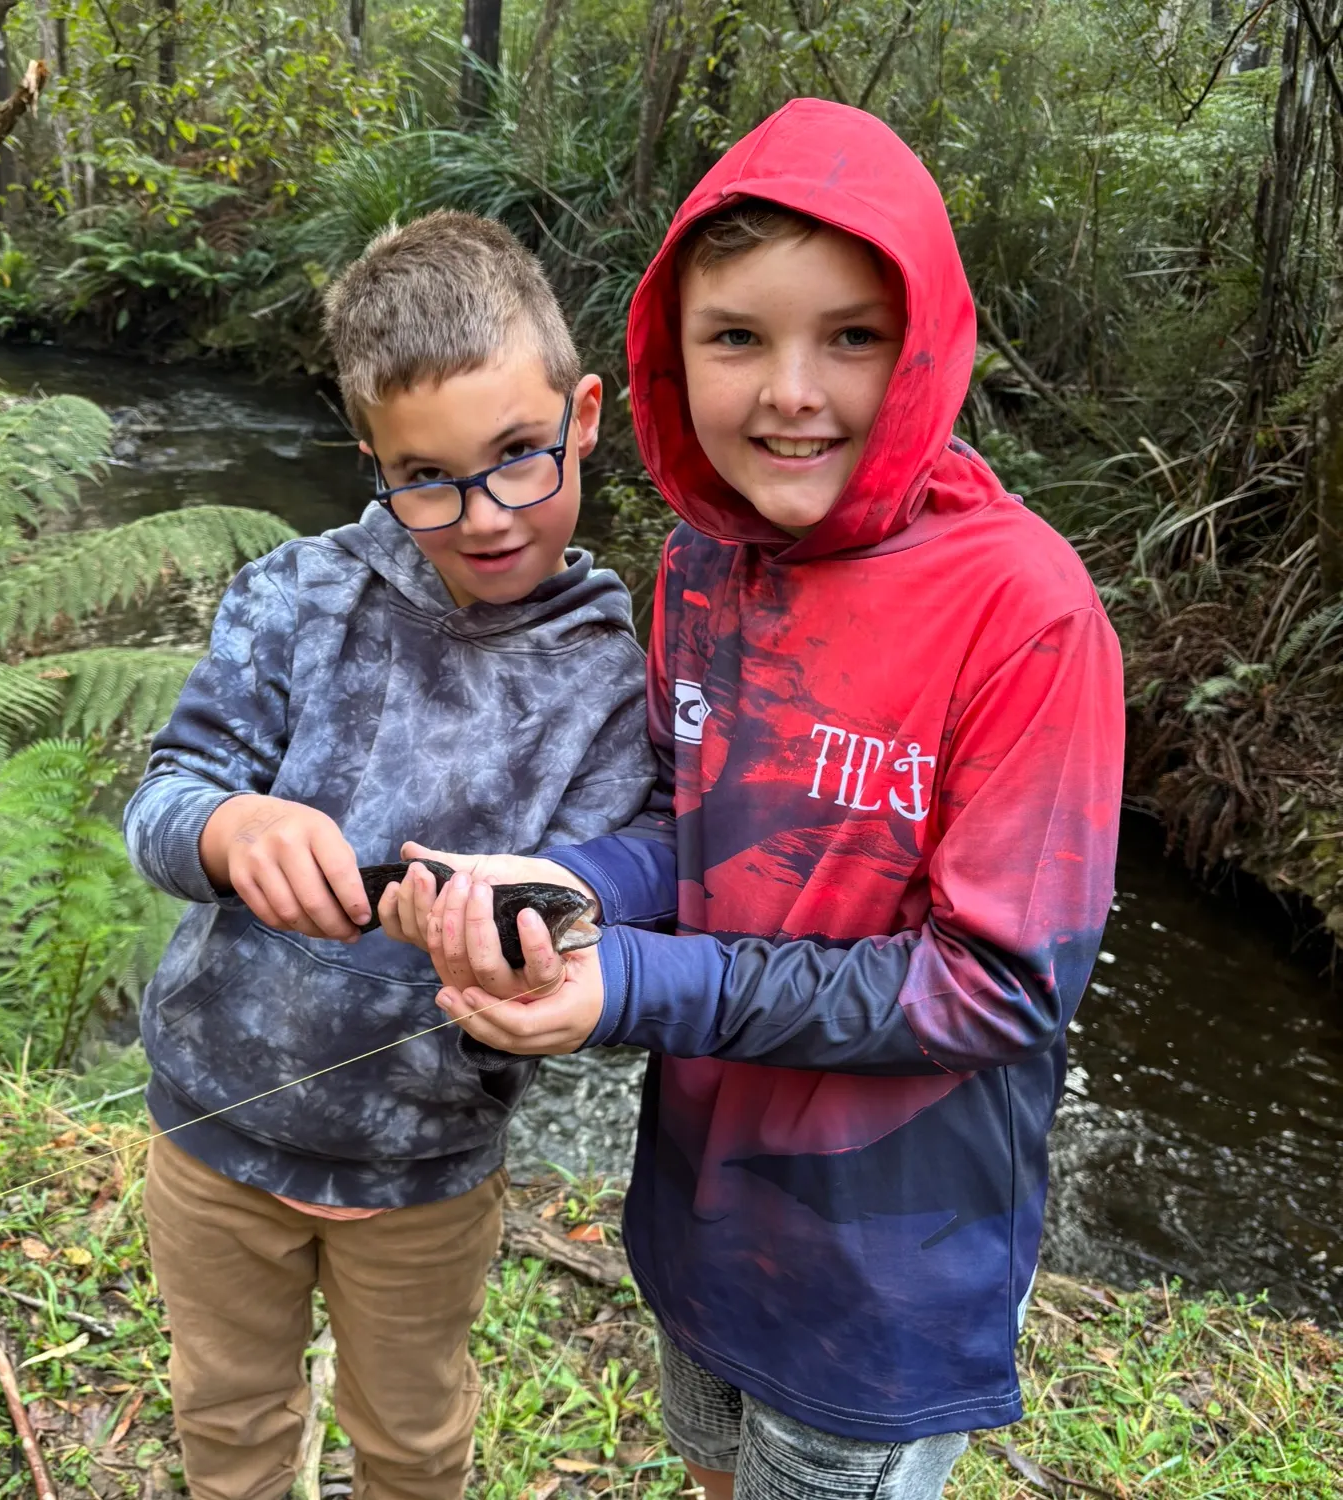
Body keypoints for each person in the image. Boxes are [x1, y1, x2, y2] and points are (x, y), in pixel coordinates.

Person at [383, 101, 1125, 1499]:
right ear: (671, 353)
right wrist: (574, 892)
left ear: (927, 345)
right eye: (737, 337)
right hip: (704, 1221)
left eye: (852, 334)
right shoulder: (700, 566)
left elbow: (999, 991)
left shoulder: (1030, 615)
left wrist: (637, 987)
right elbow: (693, 829)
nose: (792, 391)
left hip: (883, 1287)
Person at [122, 210, 655, 1500]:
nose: (482, 515)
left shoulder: (611, 680)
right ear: (371, 458)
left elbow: (613, 916)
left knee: (413, 1439)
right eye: (427, 476)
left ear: (584, 416)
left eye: (521, 456)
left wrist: (526, 944)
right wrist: (232, 827)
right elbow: (164, 800)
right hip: (213, 1135)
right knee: (228, 1414)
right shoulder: (295, 596)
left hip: (425, 1172)